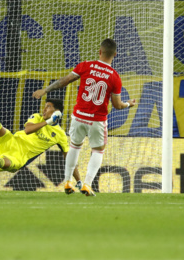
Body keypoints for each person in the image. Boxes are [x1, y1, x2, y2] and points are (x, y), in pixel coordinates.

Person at [33, 38, 135, 196]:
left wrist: (45, 90)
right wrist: (128, 104)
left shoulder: (86, 65)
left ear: (100, 51)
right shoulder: (115, 77)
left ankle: (67, 182)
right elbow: (117, 105)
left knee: (74, 146)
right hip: (97, 120)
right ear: (115, 54)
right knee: (98, 151)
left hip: (79, 116)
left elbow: (64, 81)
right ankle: (87, 184)